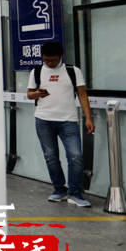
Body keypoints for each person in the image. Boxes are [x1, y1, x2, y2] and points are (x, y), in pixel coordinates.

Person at [27, 41, 95, 207]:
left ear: (61, 56)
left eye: (53, 60)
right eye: (46, 60)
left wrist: (88, 118)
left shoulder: (72, 71)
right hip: (43, 120)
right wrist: (37, 93)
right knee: (51, 157)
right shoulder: (36, 71)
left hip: (68, 120)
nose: (50, 63)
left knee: (75, 157)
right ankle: (59, 189)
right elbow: (29, 95)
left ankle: (75, 193)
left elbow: (82, 95)